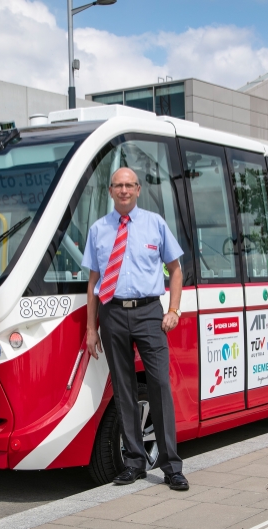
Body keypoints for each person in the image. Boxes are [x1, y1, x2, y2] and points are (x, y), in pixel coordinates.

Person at [82, 167, 189, 491]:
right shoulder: (98, 229)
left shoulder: (154, 223)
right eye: (118, 185)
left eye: (129, 185)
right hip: (112, 314)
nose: (124, 190)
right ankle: (134, 462)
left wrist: (173, 310)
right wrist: (91, 328)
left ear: (138, 190)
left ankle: (171, 466)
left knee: (158, 386)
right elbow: (93, 283)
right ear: (111, 190)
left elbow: (176, 270)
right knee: (124, 389)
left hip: (148, 314)